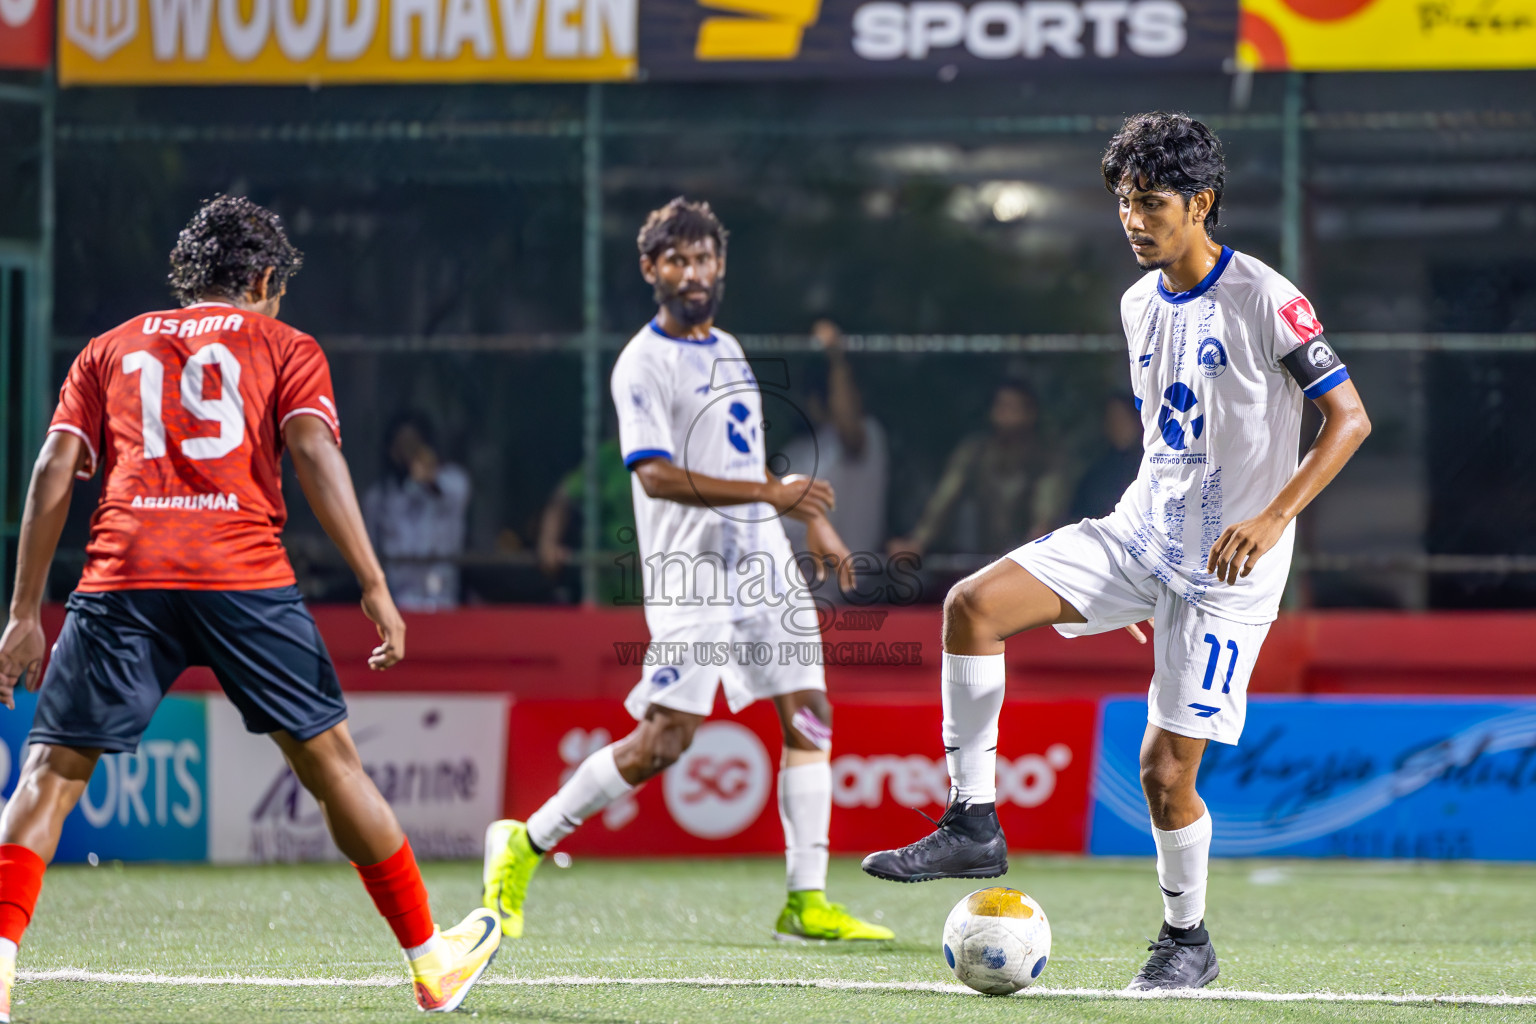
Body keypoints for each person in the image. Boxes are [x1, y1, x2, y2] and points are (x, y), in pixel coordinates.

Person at [861, 113, 1371, 991]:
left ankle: (1187, 942)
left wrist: (1275, 516)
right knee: (971, 606)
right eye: (1123, 203)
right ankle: (974, 819)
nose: (1133, 220)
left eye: (1151, 202)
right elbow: (1168, 448)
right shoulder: (1137, 302)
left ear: (1201, 202)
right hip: (1140, 535)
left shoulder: (1264, 296)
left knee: (1164, 773)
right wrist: (1134, 585)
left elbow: (1350, 419)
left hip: (1229, 570)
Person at [0, 196, 500, 1017]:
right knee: (334, 767)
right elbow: (313, 450)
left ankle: (0, 962)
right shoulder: (285, 345)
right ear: (265, 280)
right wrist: (373, 580)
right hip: (242, 572)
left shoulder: (108, 349)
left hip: (124, 573)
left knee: (50, 774)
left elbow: (55, 468)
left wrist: (24, 611)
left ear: (187, 278)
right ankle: (429, 959)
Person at [482, 197, 892, 944]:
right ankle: (525, 841)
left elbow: (745, 462)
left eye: (704, 259)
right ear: (650, 270)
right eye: (677, 260)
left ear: (721, 266)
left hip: (762, 562)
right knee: (666, 742)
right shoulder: (642, 363)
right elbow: (658, 477)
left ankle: (807, 899)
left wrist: (812, 519)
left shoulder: (729, 349)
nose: (693, 272)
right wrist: (775, 494)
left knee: (810, 715)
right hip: (689, 572)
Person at [887, 378, 1063, 559]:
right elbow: (946, 497)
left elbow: (1047, 509)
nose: (1004, 414)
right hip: (984, 558)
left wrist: (1035, 544)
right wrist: (918, 541)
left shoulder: (1046, 459)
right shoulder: (976, 452)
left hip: (1031, 560)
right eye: (1000, 406)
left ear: (1030, 414)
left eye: (1012, 407)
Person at [780, 320, 889, 565]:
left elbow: (849, 425)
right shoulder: (796, 452)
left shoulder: (866, 436)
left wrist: (836, 358)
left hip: (848, 589)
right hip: (794, 585)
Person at [362, 412, 471, 612]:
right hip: (398, 604)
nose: (409, 452)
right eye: (403, 445)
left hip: (445, 603)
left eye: (414, 444)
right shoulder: (379, 498)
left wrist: (429, 478)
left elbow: (453, 495)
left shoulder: (454, 482)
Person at [1068, 395, 1144, 522]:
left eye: (1122, 419)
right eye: (1112, 420)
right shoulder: (1097, 474)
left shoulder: (1149, 465)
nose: (1118, 426)